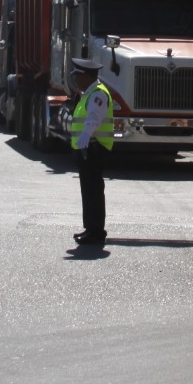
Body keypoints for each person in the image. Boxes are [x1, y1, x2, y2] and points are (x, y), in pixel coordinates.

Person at [69, 57, 115, 247]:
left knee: (93, 191)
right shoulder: (88, 93)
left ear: (87, 76)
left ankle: (96, 232)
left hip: (95, 147)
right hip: (87, 147)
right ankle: (90, 228)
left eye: (77, 75)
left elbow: (94, 118)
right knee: (88, 190)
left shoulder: (98, 94)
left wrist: (86, 136)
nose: (75, 79)